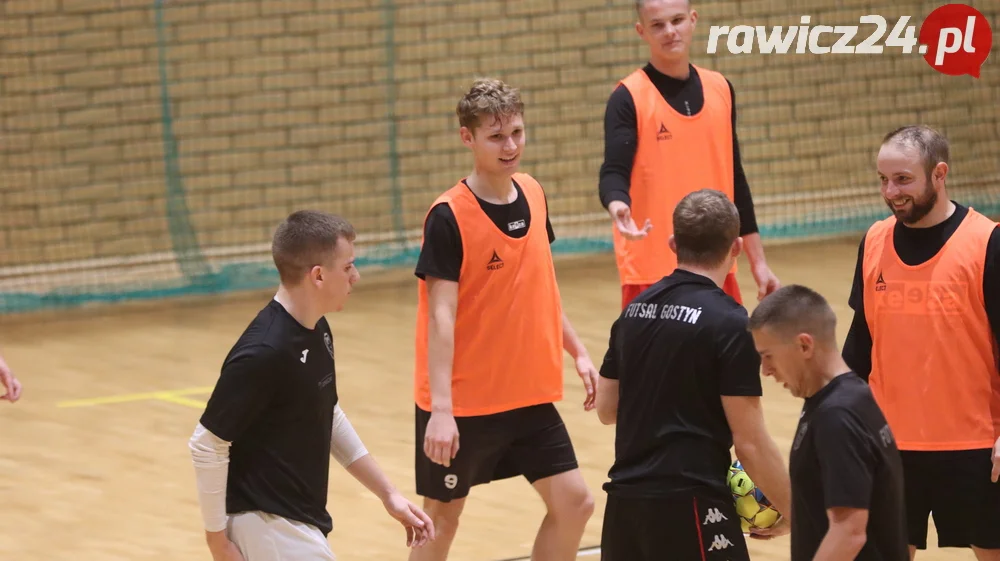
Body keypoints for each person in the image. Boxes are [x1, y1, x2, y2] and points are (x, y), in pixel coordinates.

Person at [410, 77, 598, 561]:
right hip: (466, 405)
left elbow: (539, 290)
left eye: (516, 131)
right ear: (467, 138)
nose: (510, 145)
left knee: (575, 503)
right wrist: (443, 412)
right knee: (442, 519)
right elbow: (441, 316)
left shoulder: (533, 193)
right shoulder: (449, 216)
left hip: (527, 397)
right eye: (496, 136)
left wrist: (577, 352)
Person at [188, 210, 435, 561]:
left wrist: (388, 494)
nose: (356, 277)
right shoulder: (264, 352)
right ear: (318, 275)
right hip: (267, 527)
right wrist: (218, 544)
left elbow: (326, 413)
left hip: (298, 522)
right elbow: (207, 444)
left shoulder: (316, 329)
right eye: (348, 267)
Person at [595, 189, 791, 561]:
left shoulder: (634, 311)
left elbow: (607, 409)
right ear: (735, 248)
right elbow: (749, 444)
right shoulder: (732, 322)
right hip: (691, 506)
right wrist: (795, 511)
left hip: (624, 508)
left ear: (673, 244)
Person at [841, 124, 1000, 559]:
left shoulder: (988, 241)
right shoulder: (874, 241)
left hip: (977, 446)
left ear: (940, 173)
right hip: (890, 442)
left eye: (903, 179)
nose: (891, 191)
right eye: (883, 180)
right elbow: (859, 345)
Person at [599, 0, 780, 310]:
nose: (670, 31)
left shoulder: (720, 88)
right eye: (658, 25)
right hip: (651, 270)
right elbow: (614, 171)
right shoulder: (628, 97)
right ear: (641, 31)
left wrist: (758, 262)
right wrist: (618, 205)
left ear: (693, 20)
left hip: (718, 265)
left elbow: (735, 179)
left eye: (677, 20)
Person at [748, 284, 909, 560]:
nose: (766, 370)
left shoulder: (837, 417)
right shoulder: (848, 397)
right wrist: (800, 519)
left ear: (804, 345)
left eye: (768, 356)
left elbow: (849, 531)